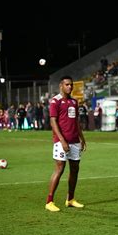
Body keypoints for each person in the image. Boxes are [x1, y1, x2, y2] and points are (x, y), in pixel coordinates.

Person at [45, 76, 86, 212]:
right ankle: (49, 201)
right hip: (61, 141)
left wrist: (82, 138)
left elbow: (76, 122)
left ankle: (70, 199)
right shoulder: (55, 101)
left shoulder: (74, 102)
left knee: (75, 169)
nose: (70, 87)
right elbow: (53, 122)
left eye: (71, 85)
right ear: (61, 86)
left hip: (75, 141)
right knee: (60, 168)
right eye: (67, 84)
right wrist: (62, 140)